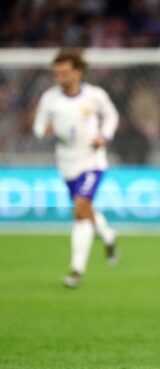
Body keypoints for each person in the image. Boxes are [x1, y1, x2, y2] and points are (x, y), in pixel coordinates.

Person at [33, 49, 119, 288]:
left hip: (92, 161)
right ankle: (109, 235)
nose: (61, 77)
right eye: (58, 73)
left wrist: (105, 136)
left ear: (78, 71)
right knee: (85, 208)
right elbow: (38, 127)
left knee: (81, 208)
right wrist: (44, 131)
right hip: (66, 163)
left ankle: (76, 270)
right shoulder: (50, 99)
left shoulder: (94, 96)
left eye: (66, 72)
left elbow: (111, 116)